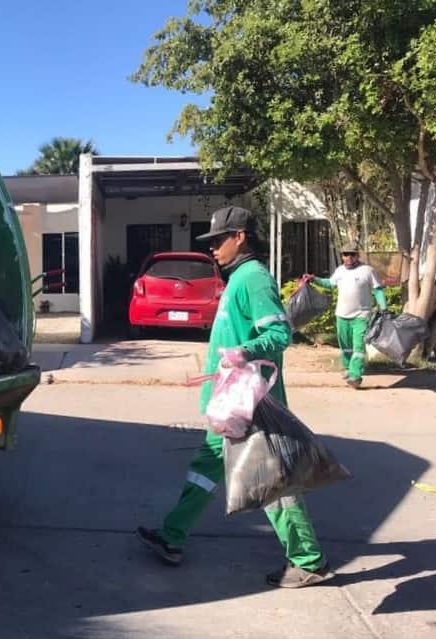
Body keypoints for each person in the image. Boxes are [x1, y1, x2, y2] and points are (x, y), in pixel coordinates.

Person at [135, 205, 333, 589]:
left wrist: (243, 353)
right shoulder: (239, 277)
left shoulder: (254, 278)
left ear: (239, 236)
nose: (213, 249)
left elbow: (279, 336)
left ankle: (308, 559)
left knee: (271, 480)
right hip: (229, 402)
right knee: (208, 464)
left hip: (251, 402)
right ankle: (172, 535)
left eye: (218, 241)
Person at [303, 242, 387, 389]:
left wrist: (384, 307)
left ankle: (355, 375)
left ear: (357, 255)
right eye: (345, 254)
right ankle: (348, 369)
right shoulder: (340, 271)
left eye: (351, 254)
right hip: (342, 315)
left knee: (358, 347)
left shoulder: (367, 271)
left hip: (361, 316)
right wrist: (314, 279)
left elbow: (378, 289)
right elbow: (329, 283)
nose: (348, 257)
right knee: (345, 346)